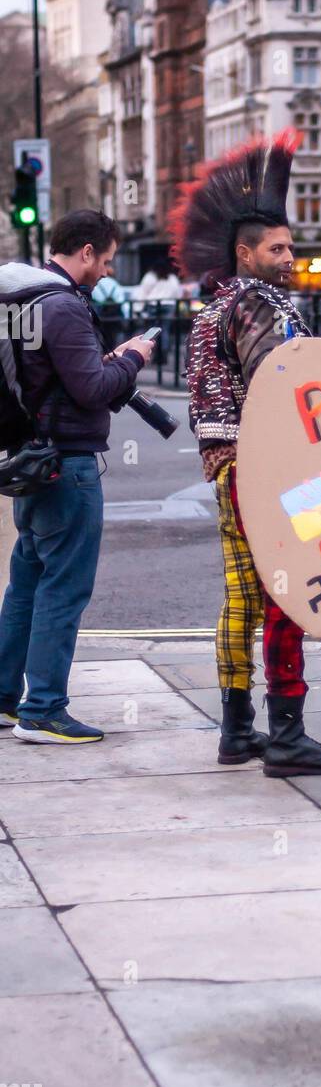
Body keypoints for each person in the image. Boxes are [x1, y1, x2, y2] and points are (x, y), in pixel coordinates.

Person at [176, 128, 321, 778]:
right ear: (245, 253)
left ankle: (237, 729)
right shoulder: (258, 302)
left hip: (228, 469)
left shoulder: (212, 310)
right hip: (277, 468)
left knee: (242, 597)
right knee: (295, 586)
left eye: (291, 246)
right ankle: (288, 733)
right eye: (277, 248)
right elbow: (282, 384)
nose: (290, 256)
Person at [0, 211, 155, 744]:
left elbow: (61, 378)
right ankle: (43, 709)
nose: (107, 271)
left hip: (33, 457)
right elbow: (91, 390)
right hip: (67, 464)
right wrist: (132, 358)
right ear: (85, 251)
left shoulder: (25, 301)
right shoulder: (64, 306)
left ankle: (3, 697)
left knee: (26, 584)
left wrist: (104, 364)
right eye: (107, 260)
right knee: (63, 588)